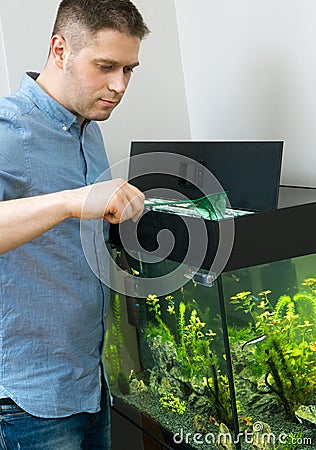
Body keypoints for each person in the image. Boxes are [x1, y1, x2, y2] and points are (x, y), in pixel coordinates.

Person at [0, 0, 149, 448]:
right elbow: (72, 206)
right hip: (28, 400)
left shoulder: (89, 127)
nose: (119, 85)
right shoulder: (8, 128)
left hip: (90, 380)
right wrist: (70, 201)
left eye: (129, 69)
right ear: (60, 49)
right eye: (106, 66)